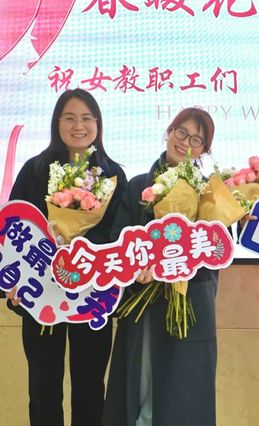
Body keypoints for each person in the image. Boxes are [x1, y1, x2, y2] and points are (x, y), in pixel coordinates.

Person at [3, 88, 127, 426]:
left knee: (90, 387)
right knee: (43, 388)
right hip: (42, 294)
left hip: (93, 298)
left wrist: (80, 250)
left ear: (98, 123)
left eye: (86, 118)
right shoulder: (35, 169)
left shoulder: (113, 175)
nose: (78, 126)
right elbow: (13, 231)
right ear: (57, 123)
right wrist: (11, 281)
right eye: (69, 118)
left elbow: (119, 235)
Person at [102, 108, 217, 426]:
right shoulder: (138, 185)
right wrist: (135, 271)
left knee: (184, 396)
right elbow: (118, 241)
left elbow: (217, 250)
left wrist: (181, 268)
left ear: (203, 150)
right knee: (141, 386)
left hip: (190, 304)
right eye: (181, 132)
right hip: (144, 304)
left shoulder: (209, 193)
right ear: (169, 132)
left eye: (197, 140)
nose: (186, 143)